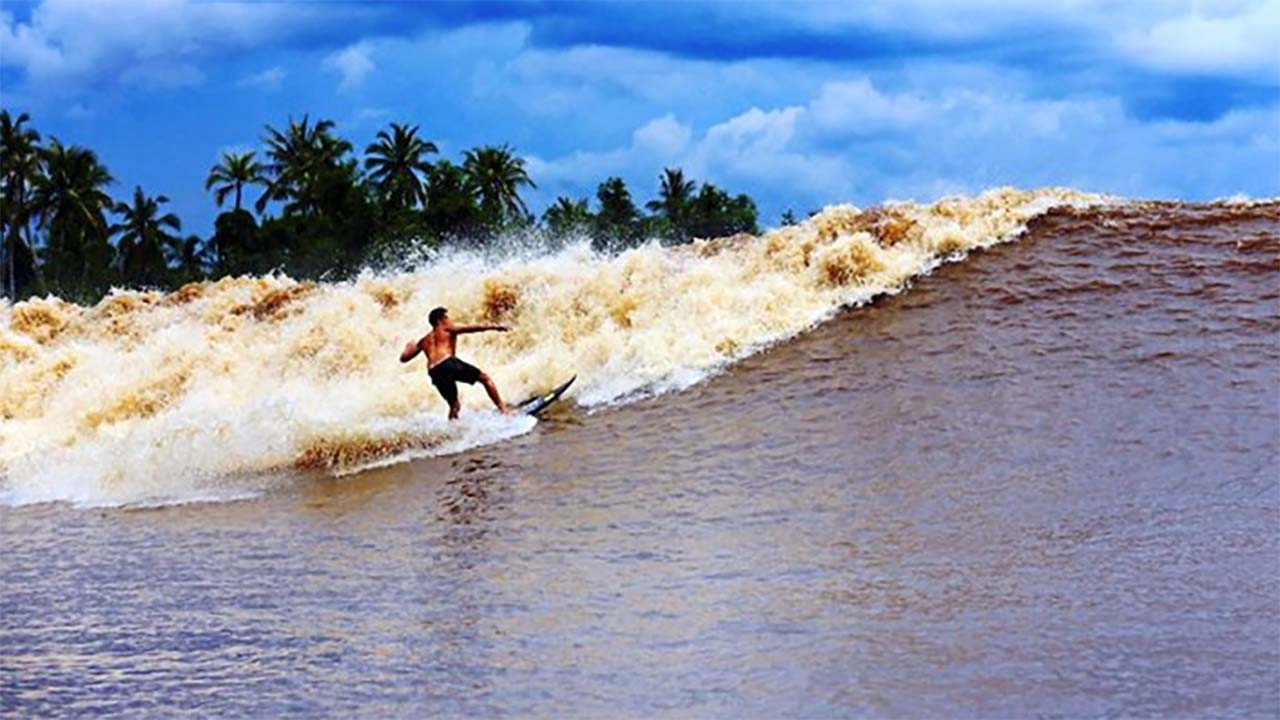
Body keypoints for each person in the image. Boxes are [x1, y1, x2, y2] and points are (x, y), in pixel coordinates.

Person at [401, 306, 512, 419]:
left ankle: (453, 431)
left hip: (434, 371)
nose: (449, 320)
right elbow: (471, 328)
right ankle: (503, 409)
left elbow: (404, 358)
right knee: (485, 378)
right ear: (440, 320)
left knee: (454, 405)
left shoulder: (424, 340)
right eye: (447, 317)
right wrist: (495, 326)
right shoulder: (446, 328)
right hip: (447, 363)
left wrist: (408, 347)